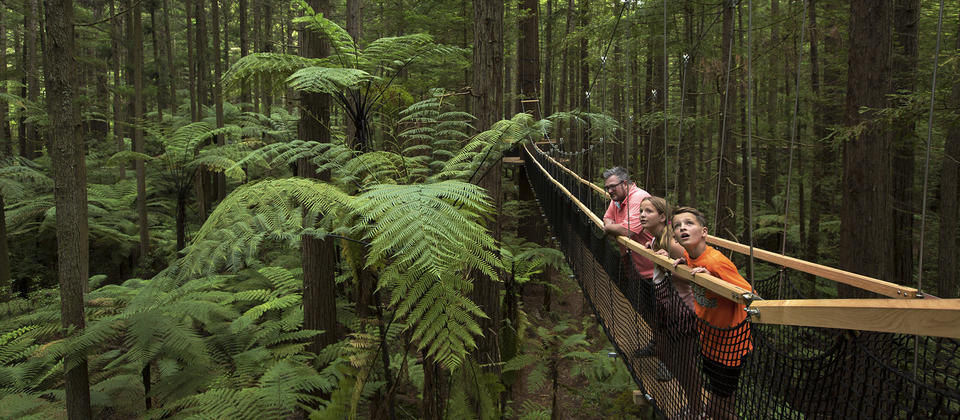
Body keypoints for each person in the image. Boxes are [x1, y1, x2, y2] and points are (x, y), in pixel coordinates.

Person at [671, 206, 754, 420]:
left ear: (704, 232)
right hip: (710, 340)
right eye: (678, 226)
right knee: (717, 402)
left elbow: (751, 296)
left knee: (721, 408)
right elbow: (692, 262)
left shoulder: (716, 262)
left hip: (731, 345)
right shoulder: (691, 256)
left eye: (689, 223)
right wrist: (683, 263)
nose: (683, 228)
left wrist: (714, 281)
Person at [640, 196, 702, 416]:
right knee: (667, 354)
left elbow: (696, 263)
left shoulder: (671, 243)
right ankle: (694, 405)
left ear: (662, 216)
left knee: (684, 364)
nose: (642, 215)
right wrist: (654, 248)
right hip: (667, 306)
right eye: (641, 211)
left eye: (648, 211)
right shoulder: (658, 239)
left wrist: (672, 261)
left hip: (683, 310)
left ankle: (697, 408)